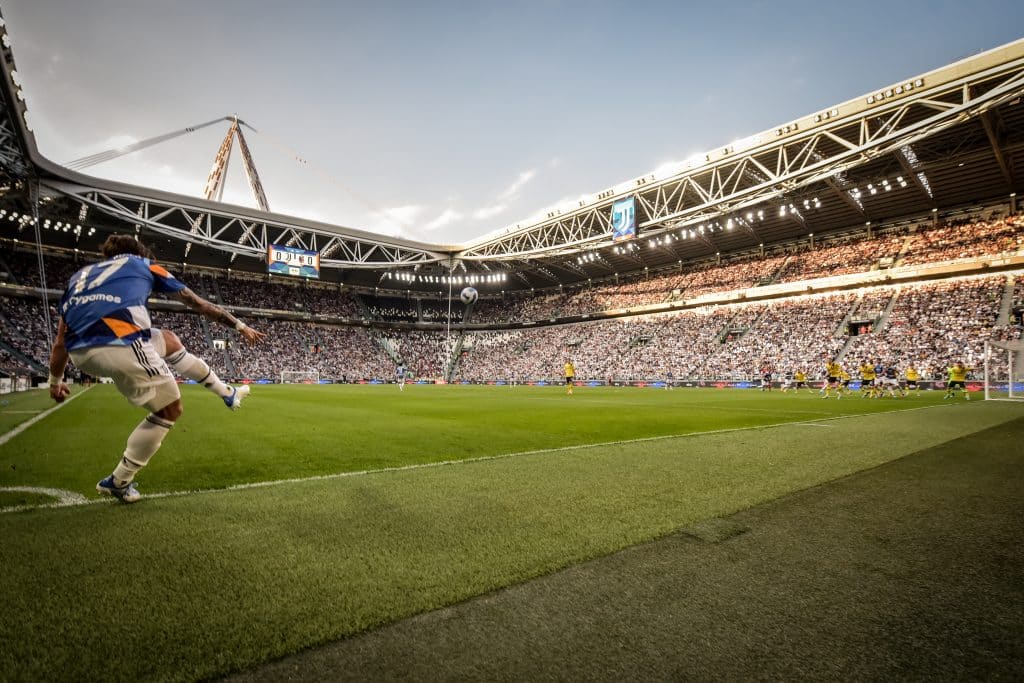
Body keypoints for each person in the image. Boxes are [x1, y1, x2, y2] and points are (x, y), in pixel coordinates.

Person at [48, 234, 265, 503]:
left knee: (170, 341)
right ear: (140, 253)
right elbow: (197, 303)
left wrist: (55, 381)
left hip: (79, 351)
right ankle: (120, 480)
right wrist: (240, 326)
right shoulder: (143, 264)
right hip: (119, 343)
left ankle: (227, 394)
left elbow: (60, 341)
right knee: (170, 409)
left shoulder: (79, 278)